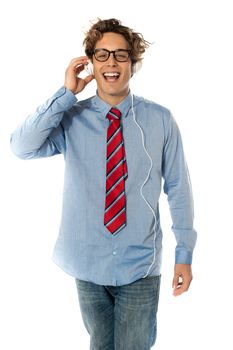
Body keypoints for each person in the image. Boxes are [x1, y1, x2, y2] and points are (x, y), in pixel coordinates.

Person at [10, 18, 197, 350]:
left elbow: (179, 188)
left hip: (140, 263)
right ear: (90, 64)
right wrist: (66, 93)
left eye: (121, 55)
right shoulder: (70, 119)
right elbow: (22, 147)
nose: (112, 62)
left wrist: (184, 253)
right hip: (87, 261)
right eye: (102, 55)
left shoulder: (161, 120)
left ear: (132, 64)